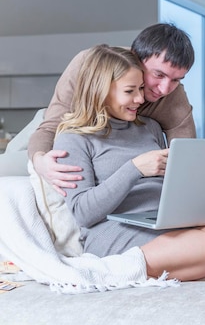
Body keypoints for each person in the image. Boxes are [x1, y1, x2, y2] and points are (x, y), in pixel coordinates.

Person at [53, 45, 205, 281]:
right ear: (100, 91)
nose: (140, 99)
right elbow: (83, 213)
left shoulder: (148, 126)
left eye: (141, 88)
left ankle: (178, 274)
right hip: (114, 232)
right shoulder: (73, 138)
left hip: (160, 223)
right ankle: (113, 271)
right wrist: (134, 168)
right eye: (130, 91)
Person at [29, 23, 196, 196]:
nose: (164, 89)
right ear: (135, 58)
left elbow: (185, 158)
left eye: (176, 80)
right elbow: (50, 127)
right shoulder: (88, 66)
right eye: (158, 75)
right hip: (69, 124)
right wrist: (39, 161)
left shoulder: (175, 98)